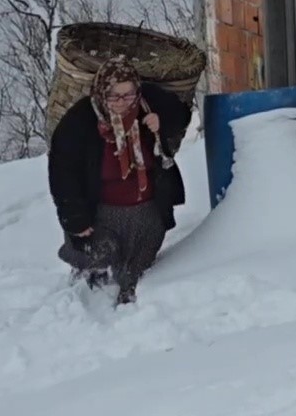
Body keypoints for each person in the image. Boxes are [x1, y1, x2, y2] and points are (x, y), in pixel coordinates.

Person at [47, 55, 191, 305]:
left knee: (141, 271)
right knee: (100, 263)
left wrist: (161, 121)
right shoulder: (80, 120)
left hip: (146, 215)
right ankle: (90, 300)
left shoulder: (147, 103)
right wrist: (75, 218)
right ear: (102, 92)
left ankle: (133, 301)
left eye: (129, 94)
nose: (122, 103)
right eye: (115, 96)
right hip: (101, 215)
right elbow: (63, 171)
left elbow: (182, 115)